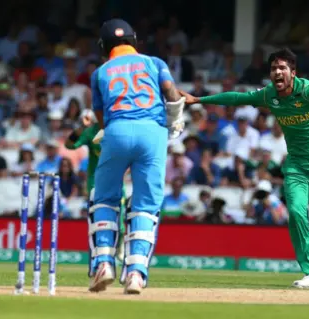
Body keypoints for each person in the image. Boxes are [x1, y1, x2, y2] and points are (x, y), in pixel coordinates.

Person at [179, 48, 309, 289]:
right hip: (296, 164)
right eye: (273, 69)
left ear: (292, 72)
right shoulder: (269, 95)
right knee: (297, 213)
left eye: (282, 68)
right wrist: (199, 100)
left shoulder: (308, 90)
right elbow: (237, 98)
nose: (277, 72)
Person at [89, 19, 184, 295]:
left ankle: (104, 264)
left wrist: (106, 131)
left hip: (117, 130)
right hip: (152, 134)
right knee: (145, 205)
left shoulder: (100, 72)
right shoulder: (154, 63)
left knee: (104, 199)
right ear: (134, 40)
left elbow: (100, 114)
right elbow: (171, 92)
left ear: (104, 46)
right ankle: (135, 274)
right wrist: (175, 121)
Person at [64, 109, 126, 276]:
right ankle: (95, 262)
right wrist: (80, 128)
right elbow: (69, 145)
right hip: (96, 183)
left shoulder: (119, 127)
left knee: (119, 223)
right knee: (96, 223)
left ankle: (119, 244)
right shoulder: (91, 130)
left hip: (116, 181)